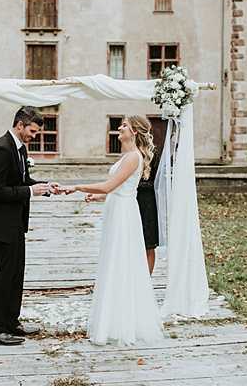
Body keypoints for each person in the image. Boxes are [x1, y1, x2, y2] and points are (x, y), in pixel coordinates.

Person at [62, 115, 164, 345]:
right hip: (118, 209)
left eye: (125, 125)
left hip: (124, 215)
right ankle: (116, 318)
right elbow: (120, 189)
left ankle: (121, 322)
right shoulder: (127, 156)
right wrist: (98, 196)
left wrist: (77, 186)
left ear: (135, 132)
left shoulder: (132, 157)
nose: (120, 127)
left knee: (120, 262)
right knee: (115, 261)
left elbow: (110, 185)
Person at [0, 106, 59, 346]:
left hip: (14, 223)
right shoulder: (1, 149)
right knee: (3, 276)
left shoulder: (19, 149)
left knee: (16, 275)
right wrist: (30, 191)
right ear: (19, 124)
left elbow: (21, 181)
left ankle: (11, 322)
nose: (34, 136)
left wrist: (43, 187)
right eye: (32, 131)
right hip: (0, 224)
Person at [137, 149, 161, 275]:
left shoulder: (152, 152)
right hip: (131, 200)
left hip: (147, 202)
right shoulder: (129, 150)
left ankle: (146, 281)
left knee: (148, 244)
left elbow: (157, 180)